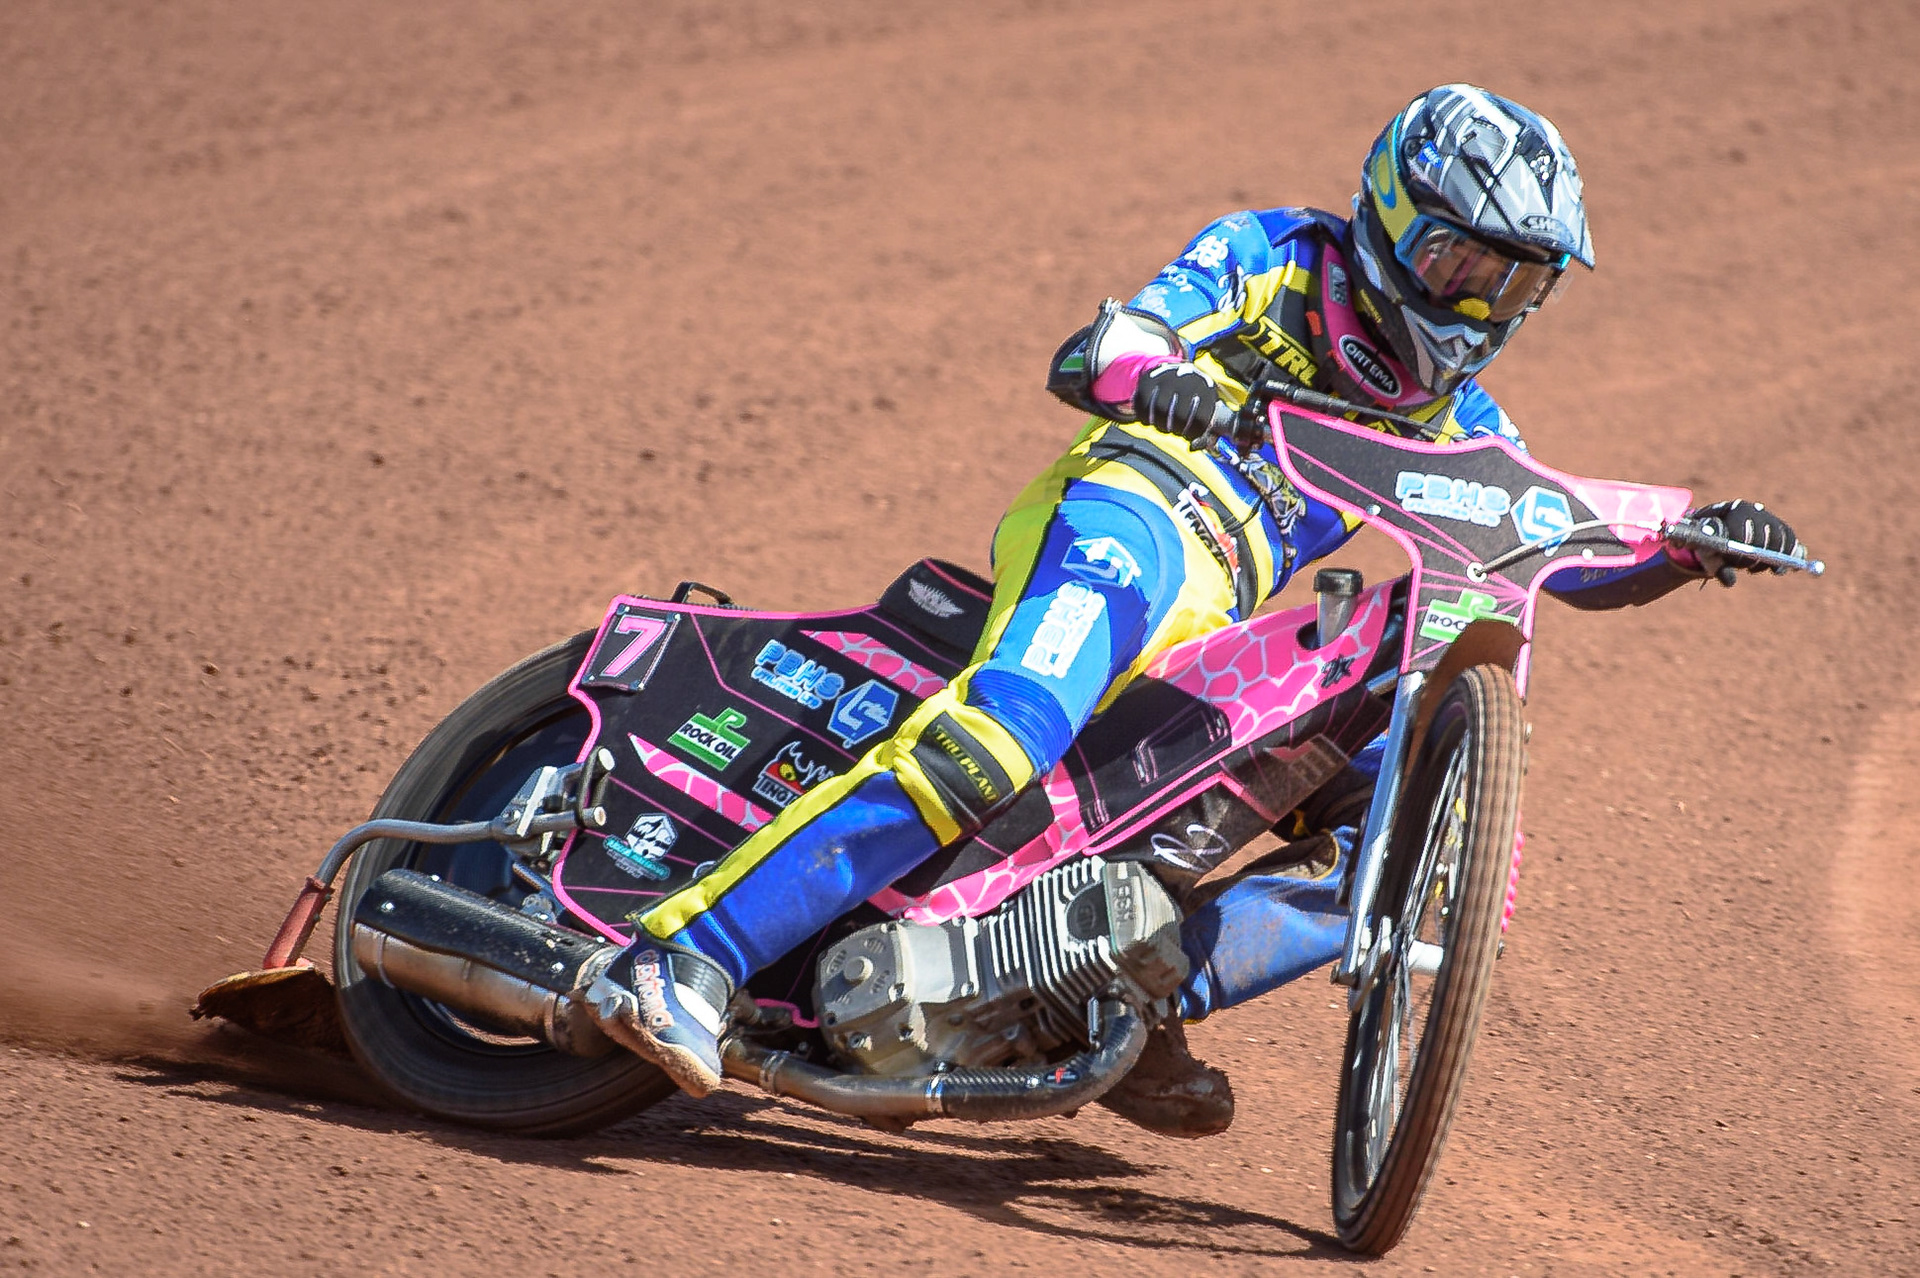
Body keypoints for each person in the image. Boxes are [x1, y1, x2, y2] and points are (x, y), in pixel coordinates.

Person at [584, 84, 1803, 1134]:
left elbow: (1556, 550)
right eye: (1458, 264)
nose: (1477, 304)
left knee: (1421, 818)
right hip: (1133, 519)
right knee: (1003, 733)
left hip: (1218, 622)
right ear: (1391, 214)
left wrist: (1691, 544)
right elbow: (1105, 345)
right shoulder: (1274, 257)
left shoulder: (1458, 425)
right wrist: (1161, 377)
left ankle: (1124, 992)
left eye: (1512, 282)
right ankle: (684, 958)